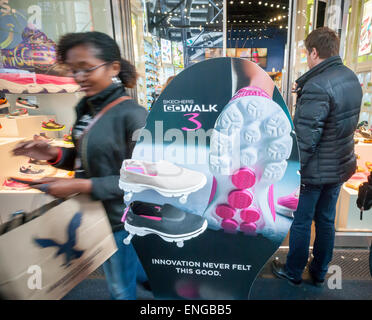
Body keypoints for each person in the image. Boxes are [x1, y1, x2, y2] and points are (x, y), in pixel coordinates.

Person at [12, 31, 149, 299]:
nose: (79, 78)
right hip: (93, 216)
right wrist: (52, 154)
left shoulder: (133, 115)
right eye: (73, 70)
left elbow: (142, 179)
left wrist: (81, 185)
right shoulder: (84, 109)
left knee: (120, 289)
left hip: (120, 221)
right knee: (132, 275)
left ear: (114, 67)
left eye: (86, 69)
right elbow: (82, 159)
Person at [272, 27, 362, 286]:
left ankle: (293, 271)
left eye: (306, 53)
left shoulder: (317, 85)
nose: (306, 58)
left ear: (314, 52)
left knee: (301, 222)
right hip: (339, 167)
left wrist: (295, 171)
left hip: (313, 171)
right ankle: (320, 271)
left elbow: (307, 139)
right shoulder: (350, 78)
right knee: (325, 221)